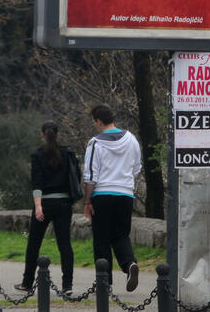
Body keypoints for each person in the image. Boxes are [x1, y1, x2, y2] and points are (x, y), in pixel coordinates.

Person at [83, 104, 142, 292]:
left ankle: (104, 282)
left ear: (98, 121)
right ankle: (129, 264)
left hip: (102, 194)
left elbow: (91, 174)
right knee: (121, 234)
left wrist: (87, 201)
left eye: (94, 122)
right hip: (125, 194)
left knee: (101, 239)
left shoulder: (96, 143)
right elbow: (136, 168)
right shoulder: (131, 139)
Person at [16, 120, 76, 296]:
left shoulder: (37, 155)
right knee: (65, 244)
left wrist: (38, 206)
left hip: (44, 204)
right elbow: (74, 178)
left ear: (42, 134)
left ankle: (27, 282)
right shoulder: (68, 153)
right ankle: (67, 285)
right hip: (64, 204)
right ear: (57, 134)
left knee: (34, 243)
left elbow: (37, 182)